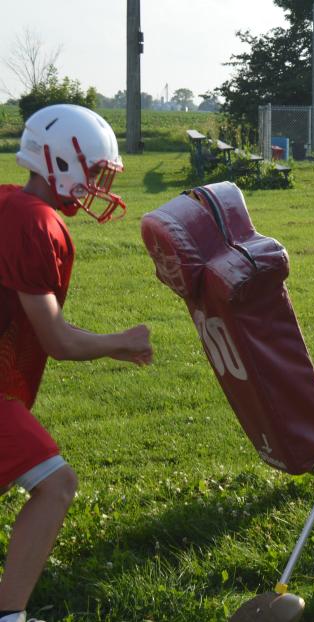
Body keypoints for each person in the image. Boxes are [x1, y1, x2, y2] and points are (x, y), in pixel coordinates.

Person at [0, 104, 153, 622]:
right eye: (92, 171)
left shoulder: (10, 202)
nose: (97, 186)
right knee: (56, 483)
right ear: (58, 162)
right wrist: (122, 341)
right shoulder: (33, 221)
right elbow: (57, 340)